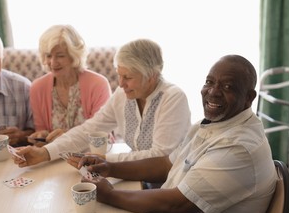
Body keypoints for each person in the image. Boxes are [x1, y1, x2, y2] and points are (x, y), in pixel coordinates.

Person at [74, 55, 277, 213]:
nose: (213, 92)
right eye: (209, 82)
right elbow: (167, 164)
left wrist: (110, 194)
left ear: (249, 98)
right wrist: (110, 167)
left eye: (227, 87)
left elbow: (177, 204)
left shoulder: (239, 147)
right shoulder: (211, 124)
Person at [14, 38, 191, 165]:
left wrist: (103, 160)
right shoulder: (122, 95)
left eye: (128, 77)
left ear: (151, 76)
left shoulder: (173, 98)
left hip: (168, 182)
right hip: (136, 175)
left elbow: (160, 157)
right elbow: (89, 130)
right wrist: (44, 153)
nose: (121, 84)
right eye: (119, 75)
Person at [28, 25, 111, 145]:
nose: (53, 62)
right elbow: (41, 130)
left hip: (92, 156)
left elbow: (101, 134)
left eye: (60, 56)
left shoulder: (98, 85)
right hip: (54, 158)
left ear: (74, 56)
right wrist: (42, 136)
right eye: (48, 56)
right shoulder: (37, 88)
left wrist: (67, 137)